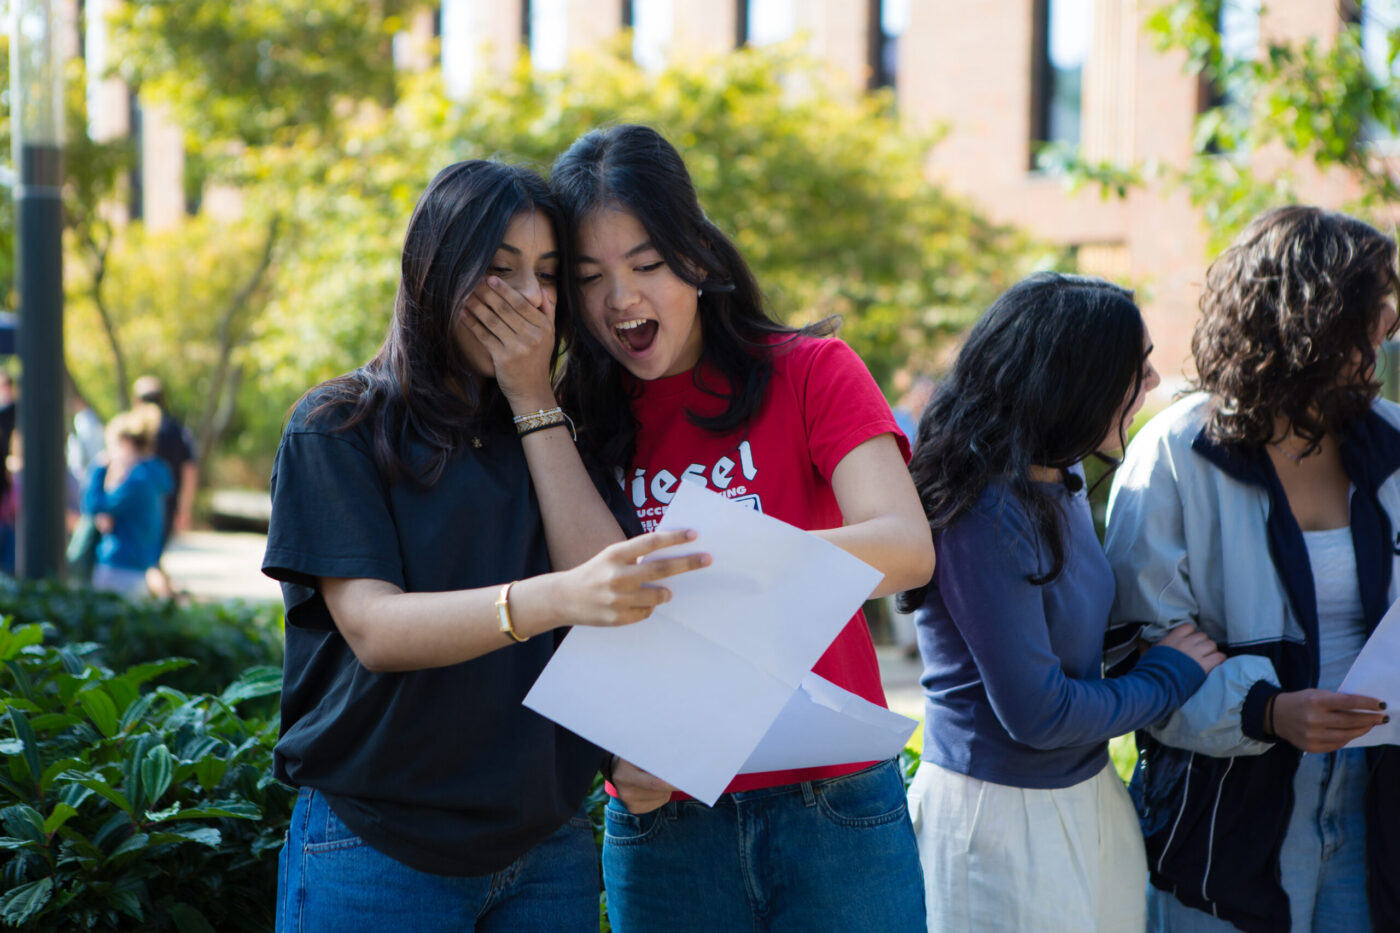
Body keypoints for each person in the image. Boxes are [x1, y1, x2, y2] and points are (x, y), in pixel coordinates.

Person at [262, 159, 709, 932]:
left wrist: (533, 400)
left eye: (545, 274)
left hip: (548, 850)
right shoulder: (339, 426)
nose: (530, 298)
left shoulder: (560, 432)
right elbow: (376, 628)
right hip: (379, 845)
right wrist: (551, 600)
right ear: (435, 272)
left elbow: (615, 593)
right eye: (499, 270)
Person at [551, 124, 935, 932]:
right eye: (592, 278)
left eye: (647, 265)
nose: (622, 300)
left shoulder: (812, 372)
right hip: (665, 818)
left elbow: (904, 544)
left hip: (832, 806)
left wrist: (723, 556)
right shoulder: (573, 424)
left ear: (696, 253)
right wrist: (617, 761)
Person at [1104, 206, 1398, 933]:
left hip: (1377, 811)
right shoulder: (1174, 449)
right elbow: (1138, 651)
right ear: (1312, 318)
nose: (1388, 325)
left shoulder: (1393, 437)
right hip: (1226, 824)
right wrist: (1267, 711)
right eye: (1372, 309)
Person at [902, 272, 1225, 932]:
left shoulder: (1062, 475)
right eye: (1135, 368)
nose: (1155, 382)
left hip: (1085, 795)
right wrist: (1168, 675)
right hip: (997, 817)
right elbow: (1039, 714)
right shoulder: (985, 509)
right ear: (1071, 378)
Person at [83, 405, 172, 598]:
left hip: (120, 566)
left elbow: (93, 505)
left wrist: (98, 468)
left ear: (126, 443)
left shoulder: (137, 481)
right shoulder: (155, 473)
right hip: (140, 563)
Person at [132, 374, 197, 597]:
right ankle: (167, 598)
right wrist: (184, 507)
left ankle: (166, 601)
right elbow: (190, 470)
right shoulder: (177, 429)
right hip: (168, 501)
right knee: (153, 557)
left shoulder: (135, 429)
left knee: (150, 559)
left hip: (139, 503)